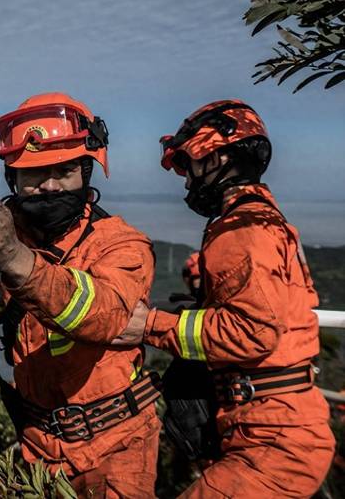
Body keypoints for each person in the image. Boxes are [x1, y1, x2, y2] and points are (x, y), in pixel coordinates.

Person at [0, 92, 162, 498]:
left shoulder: (122, 245)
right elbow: (16, 306)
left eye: (64, 170)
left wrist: (16, 260)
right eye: (34, 175)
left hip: (115, 446)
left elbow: (103, 316)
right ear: (12, 181)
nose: (49, 186)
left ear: (86, 172)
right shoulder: (17, 236)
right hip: (38, 444)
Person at [124, 99, 335, 497]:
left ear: (217, 157)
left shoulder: (241, 230)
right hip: (278, 425)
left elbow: (252, 332)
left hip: (273, 440)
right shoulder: (266, 220)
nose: (187, 182)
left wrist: (149, 324)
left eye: (189, 167)